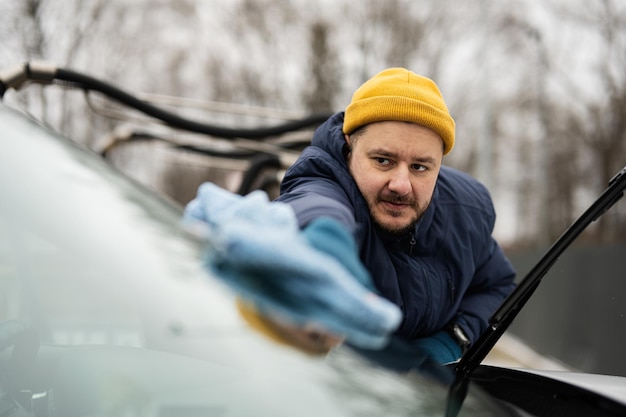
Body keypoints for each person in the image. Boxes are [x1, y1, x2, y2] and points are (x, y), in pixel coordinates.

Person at [275, 67, 517, 364]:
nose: (401, 185)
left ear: (439, 165)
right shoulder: (324, 187)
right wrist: (322, 240)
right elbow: (314, 205)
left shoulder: (468, 213)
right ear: (349, 146)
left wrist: (452, 341)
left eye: (420, 167)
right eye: (383, 160)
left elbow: (497, 285)